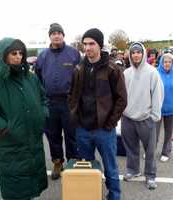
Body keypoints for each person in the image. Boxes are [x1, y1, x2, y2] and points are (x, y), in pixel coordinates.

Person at [0, 38, 48, 200]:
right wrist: (4, 127)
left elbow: (43, 99)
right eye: (13, 53)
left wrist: (43, 114)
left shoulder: (31, 78)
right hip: (10, 144)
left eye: (21, 53)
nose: (18, 56)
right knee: (15, 189)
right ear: (3, 55)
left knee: (32, 185)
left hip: (33, 141)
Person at [69, 28, 127, 200]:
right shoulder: (79, 68)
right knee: (86, 169)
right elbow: (71, 94)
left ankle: (114, 196)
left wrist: (110, 123)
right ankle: (89, 195)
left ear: (100, 45)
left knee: (110, 167)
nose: (87, 48)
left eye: (91, 43)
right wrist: (75, 116)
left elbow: (121, 99)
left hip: (105, 130)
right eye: (85, 44)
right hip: (83, 130)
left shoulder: (112, 69)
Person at [35, 23, 80, 180]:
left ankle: (72, 162)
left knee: (71, 135)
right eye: (53, 33)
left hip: (69, 103)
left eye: (59, 33)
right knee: (53, 135)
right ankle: (57, 162)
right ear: (50, 36)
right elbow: (37, 80)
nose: (56, 35)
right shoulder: (42, 56)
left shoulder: (74, 54)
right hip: (50, 103)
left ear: (63, 35)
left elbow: (80, 79)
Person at [121, 42, 164, 190]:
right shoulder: (126, 73)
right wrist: (122, 113)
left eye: (138, 52)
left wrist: (155, 116)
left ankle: (150, 176)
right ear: (130, 55)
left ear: (143, 53)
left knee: (150, 150)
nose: (136, 55)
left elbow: (158, 95)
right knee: (131, 147)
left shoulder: (152, 72)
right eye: (133, 53)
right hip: (128, 118)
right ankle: (133, 170)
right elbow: (121, 95)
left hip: (146, 118)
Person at [156, 53, 173, 162]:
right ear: (162, 63)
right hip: (157, 108)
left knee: (168, 133)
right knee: (154, 133)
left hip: (171, 110)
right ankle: (150, 151)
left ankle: (166, 151)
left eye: (169, 62)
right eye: (165, 62)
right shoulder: (156, 73)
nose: (167, 64)